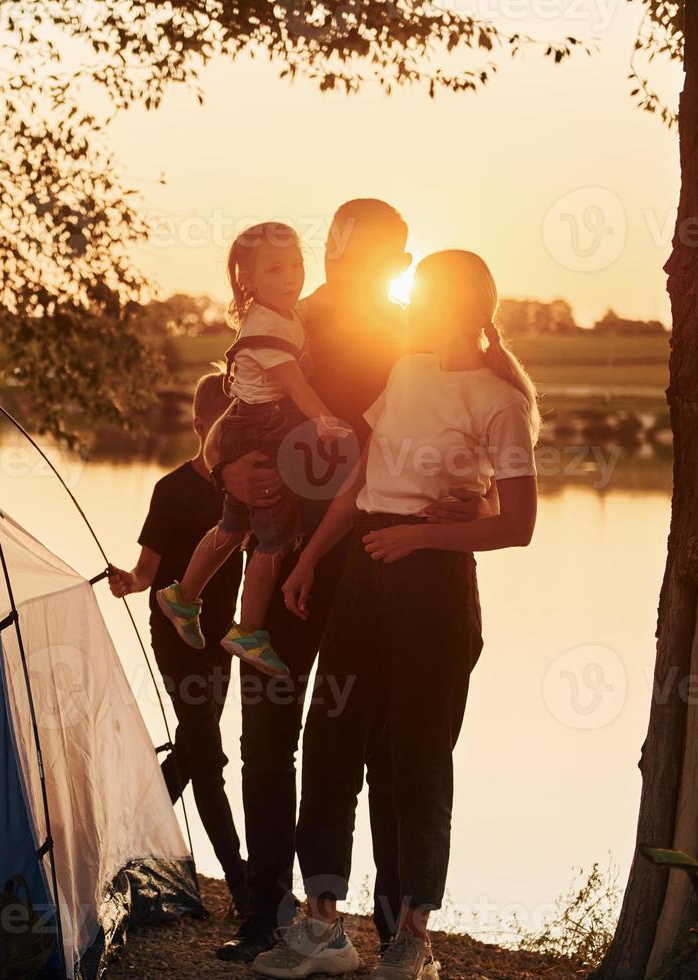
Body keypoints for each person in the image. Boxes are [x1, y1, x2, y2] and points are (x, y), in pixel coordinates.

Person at [210, 200, 490, 964]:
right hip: (285, 567)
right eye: (379, 253)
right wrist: (221, 464)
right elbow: (228, 398)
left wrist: (471, 494)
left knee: (379, 754)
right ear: (336, 249)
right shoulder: (282, 322)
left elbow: (464, 440)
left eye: (400, 257)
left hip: (372, 574)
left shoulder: (414, 340)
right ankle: (267, 915)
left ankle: (397, 931)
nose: (392, 269)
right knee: (267, 737)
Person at [249, 249, 541, 979]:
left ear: (466, 307)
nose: (411, 308)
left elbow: (518, 525)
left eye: (426, 298)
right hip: (364, 578)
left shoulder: (501, 401)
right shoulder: (405, 373)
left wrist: (422, 535)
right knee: (330, 742)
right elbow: (361, 481)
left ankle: (414, 938)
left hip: (434, 590)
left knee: (417, 757)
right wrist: (314, 557)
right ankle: (324, 929)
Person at [154, 222, 349, 678]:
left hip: (253, 424)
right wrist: (325, 420)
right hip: (260, 430)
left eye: (297, 265)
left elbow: (314, 304)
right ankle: (249, 630)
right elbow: (294, 385)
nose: (291, 277)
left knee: (234, 523)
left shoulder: (284, 312)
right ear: (249, 279)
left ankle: (183, 595)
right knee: (273, 539)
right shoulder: (264, 327)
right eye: (276, 269)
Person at [107, 369, 250, 912]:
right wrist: (129, 581)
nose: (229, 436)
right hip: (173, 635)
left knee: (194, 750)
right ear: (198, 426)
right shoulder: (172, 490)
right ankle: (240, 884)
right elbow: (148, 570)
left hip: (220, 640)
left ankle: (125, 841)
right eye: (221, 425)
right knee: (207, 753)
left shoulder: (246, 488)